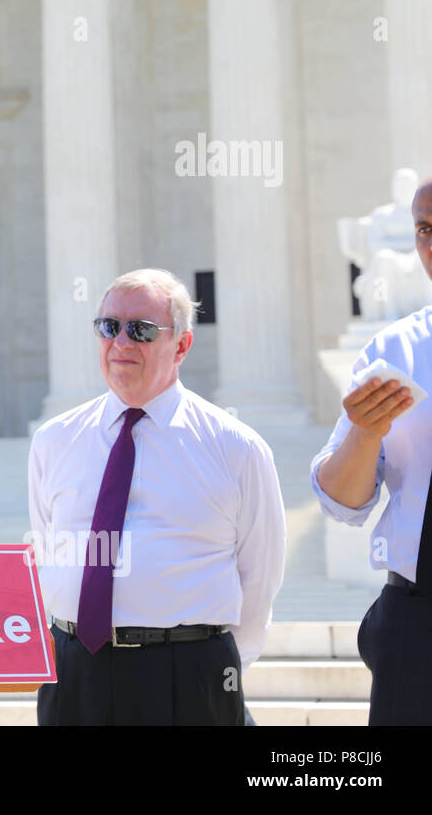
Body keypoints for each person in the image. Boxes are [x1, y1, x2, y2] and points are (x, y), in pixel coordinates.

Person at [28, 268, 286, 725]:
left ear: (182, 345)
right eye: (109, 327)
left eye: (142, 330)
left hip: (187, 676)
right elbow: (51, 549)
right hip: (74, 675)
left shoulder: (236, 449)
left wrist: (208, 666)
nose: (121, 343)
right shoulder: (54, 440)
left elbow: (260, 576)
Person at [312, 176, 432, 725]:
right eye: (425, 229)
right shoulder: (393, 351)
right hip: (417, 625)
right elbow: (342, 502)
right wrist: (365, 432)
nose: (431, 244)